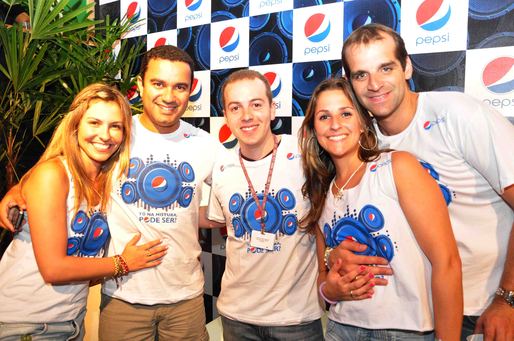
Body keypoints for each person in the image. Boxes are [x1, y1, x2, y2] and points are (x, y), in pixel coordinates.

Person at [0, 46, 219, 340]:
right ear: (139, 85)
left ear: (191, 90)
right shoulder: (120, 134)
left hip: (182, 297)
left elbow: (215, 205)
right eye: (158, 83)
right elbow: (59, 165)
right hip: (120, 296)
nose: (169, 96)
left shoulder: (204, 144)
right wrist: (19, 188)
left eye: (179, 86)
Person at [335, 23, 514, 340]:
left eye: (385, 68)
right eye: (361, 75)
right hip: (418, 314)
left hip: (485, 309)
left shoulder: (458, 115)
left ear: (406, 67)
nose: (375, 84)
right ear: (349, 82)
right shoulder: (362, 140)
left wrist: (508, 298)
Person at [200, 69, 372, 340]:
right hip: (236, 317)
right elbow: (218, 221)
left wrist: (330, 259)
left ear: (272, 109)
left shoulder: (307, 155)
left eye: (256, 104)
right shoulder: (221, 167)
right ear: (226, 115)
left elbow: (333, 211)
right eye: (236, 107)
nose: (246, 116)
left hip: (297, 318)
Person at [0, 83, 167, 340]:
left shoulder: (109, 180)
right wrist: (123, 263)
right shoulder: (53, 175)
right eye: (95, 123)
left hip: (70, 322)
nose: (105, 135)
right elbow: (53, 269)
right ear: (76, 125)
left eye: (115, 126)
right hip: (25, 323)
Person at [300, 77, 463, 340]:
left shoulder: (396, 167)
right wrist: (330, 290)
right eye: (324, 117)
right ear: (313, 129)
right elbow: (323, 280)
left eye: (345, 113)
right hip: (339, 329)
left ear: (364, 122)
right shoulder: (322, 191)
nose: (335, 125)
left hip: (406, 330)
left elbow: (447, 263)